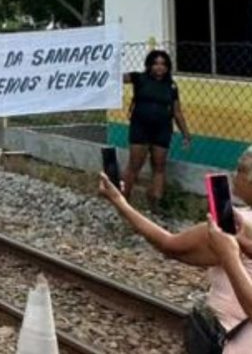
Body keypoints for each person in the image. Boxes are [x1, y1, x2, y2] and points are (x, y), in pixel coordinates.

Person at [98, 146, 252, 352]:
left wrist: (120, 202)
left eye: (240, 169)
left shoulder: (233, 225)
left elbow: (169, 245)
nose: (234, 175)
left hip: (232, 340)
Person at [121, 49, 192, 208]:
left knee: (159, 167)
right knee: (134, 165)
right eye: (156, 63)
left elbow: (177, 112)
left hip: (162, 130)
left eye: (163, 64)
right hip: (140, 128)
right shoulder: (138, 78)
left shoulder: (172, 86)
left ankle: (155, 205)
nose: (159, 67)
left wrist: (186, 134)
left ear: (168, 67)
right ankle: (122, 200)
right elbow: (114, 78)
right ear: (149, 65)